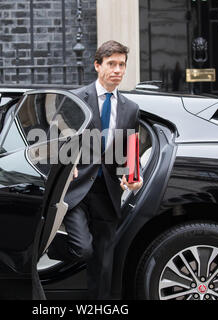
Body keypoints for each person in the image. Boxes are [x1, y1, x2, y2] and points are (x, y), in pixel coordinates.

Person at [48, 40, 142, 299]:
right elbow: (54, 139)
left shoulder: (130, 109)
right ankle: (49, 249)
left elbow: (131, 150)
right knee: (84, 250)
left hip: (108, 191)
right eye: (111, 64)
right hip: (77, 190)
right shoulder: (77, 99)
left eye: (122, 65)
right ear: (97, 65)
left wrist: (135, 176)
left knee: (103, 264)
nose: (118, 70)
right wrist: (68, 162)